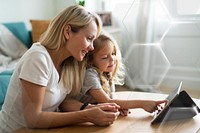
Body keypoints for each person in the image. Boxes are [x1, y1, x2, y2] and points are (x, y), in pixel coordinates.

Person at [0, 5, 120, 133]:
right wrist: (87, 115)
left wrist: (90, 108)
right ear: (67, 32)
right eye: (89, 39)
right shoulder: (37, 58)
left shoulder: (69, 63)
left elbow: (63, 101)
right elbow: (33, 119)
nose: (91, 48)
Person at [78, 32, 166, 116]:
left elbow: (112, 99)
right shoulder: (89, 74)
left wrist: (120, 107)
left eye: (113, 53)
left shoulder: (106, 73)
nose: (112, 59)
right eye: (105, 57)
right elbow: (106, 101)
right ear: (90, 61)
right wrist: (142, 104)